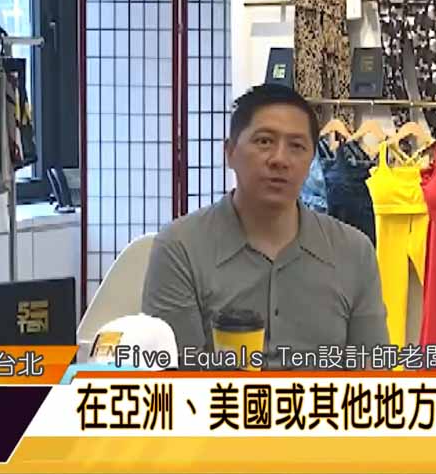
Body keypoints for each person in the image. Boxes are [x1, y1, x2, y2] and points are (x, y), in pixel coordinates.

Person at [142, 84, 387, 369]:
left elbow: (373, 372)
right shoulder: (179, 248)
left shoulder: (354, 252)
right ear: (230, 152)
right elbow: (176, 378)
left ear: (311, 161)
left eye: (296, 146)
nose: (280, 159)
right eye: (264, 141)